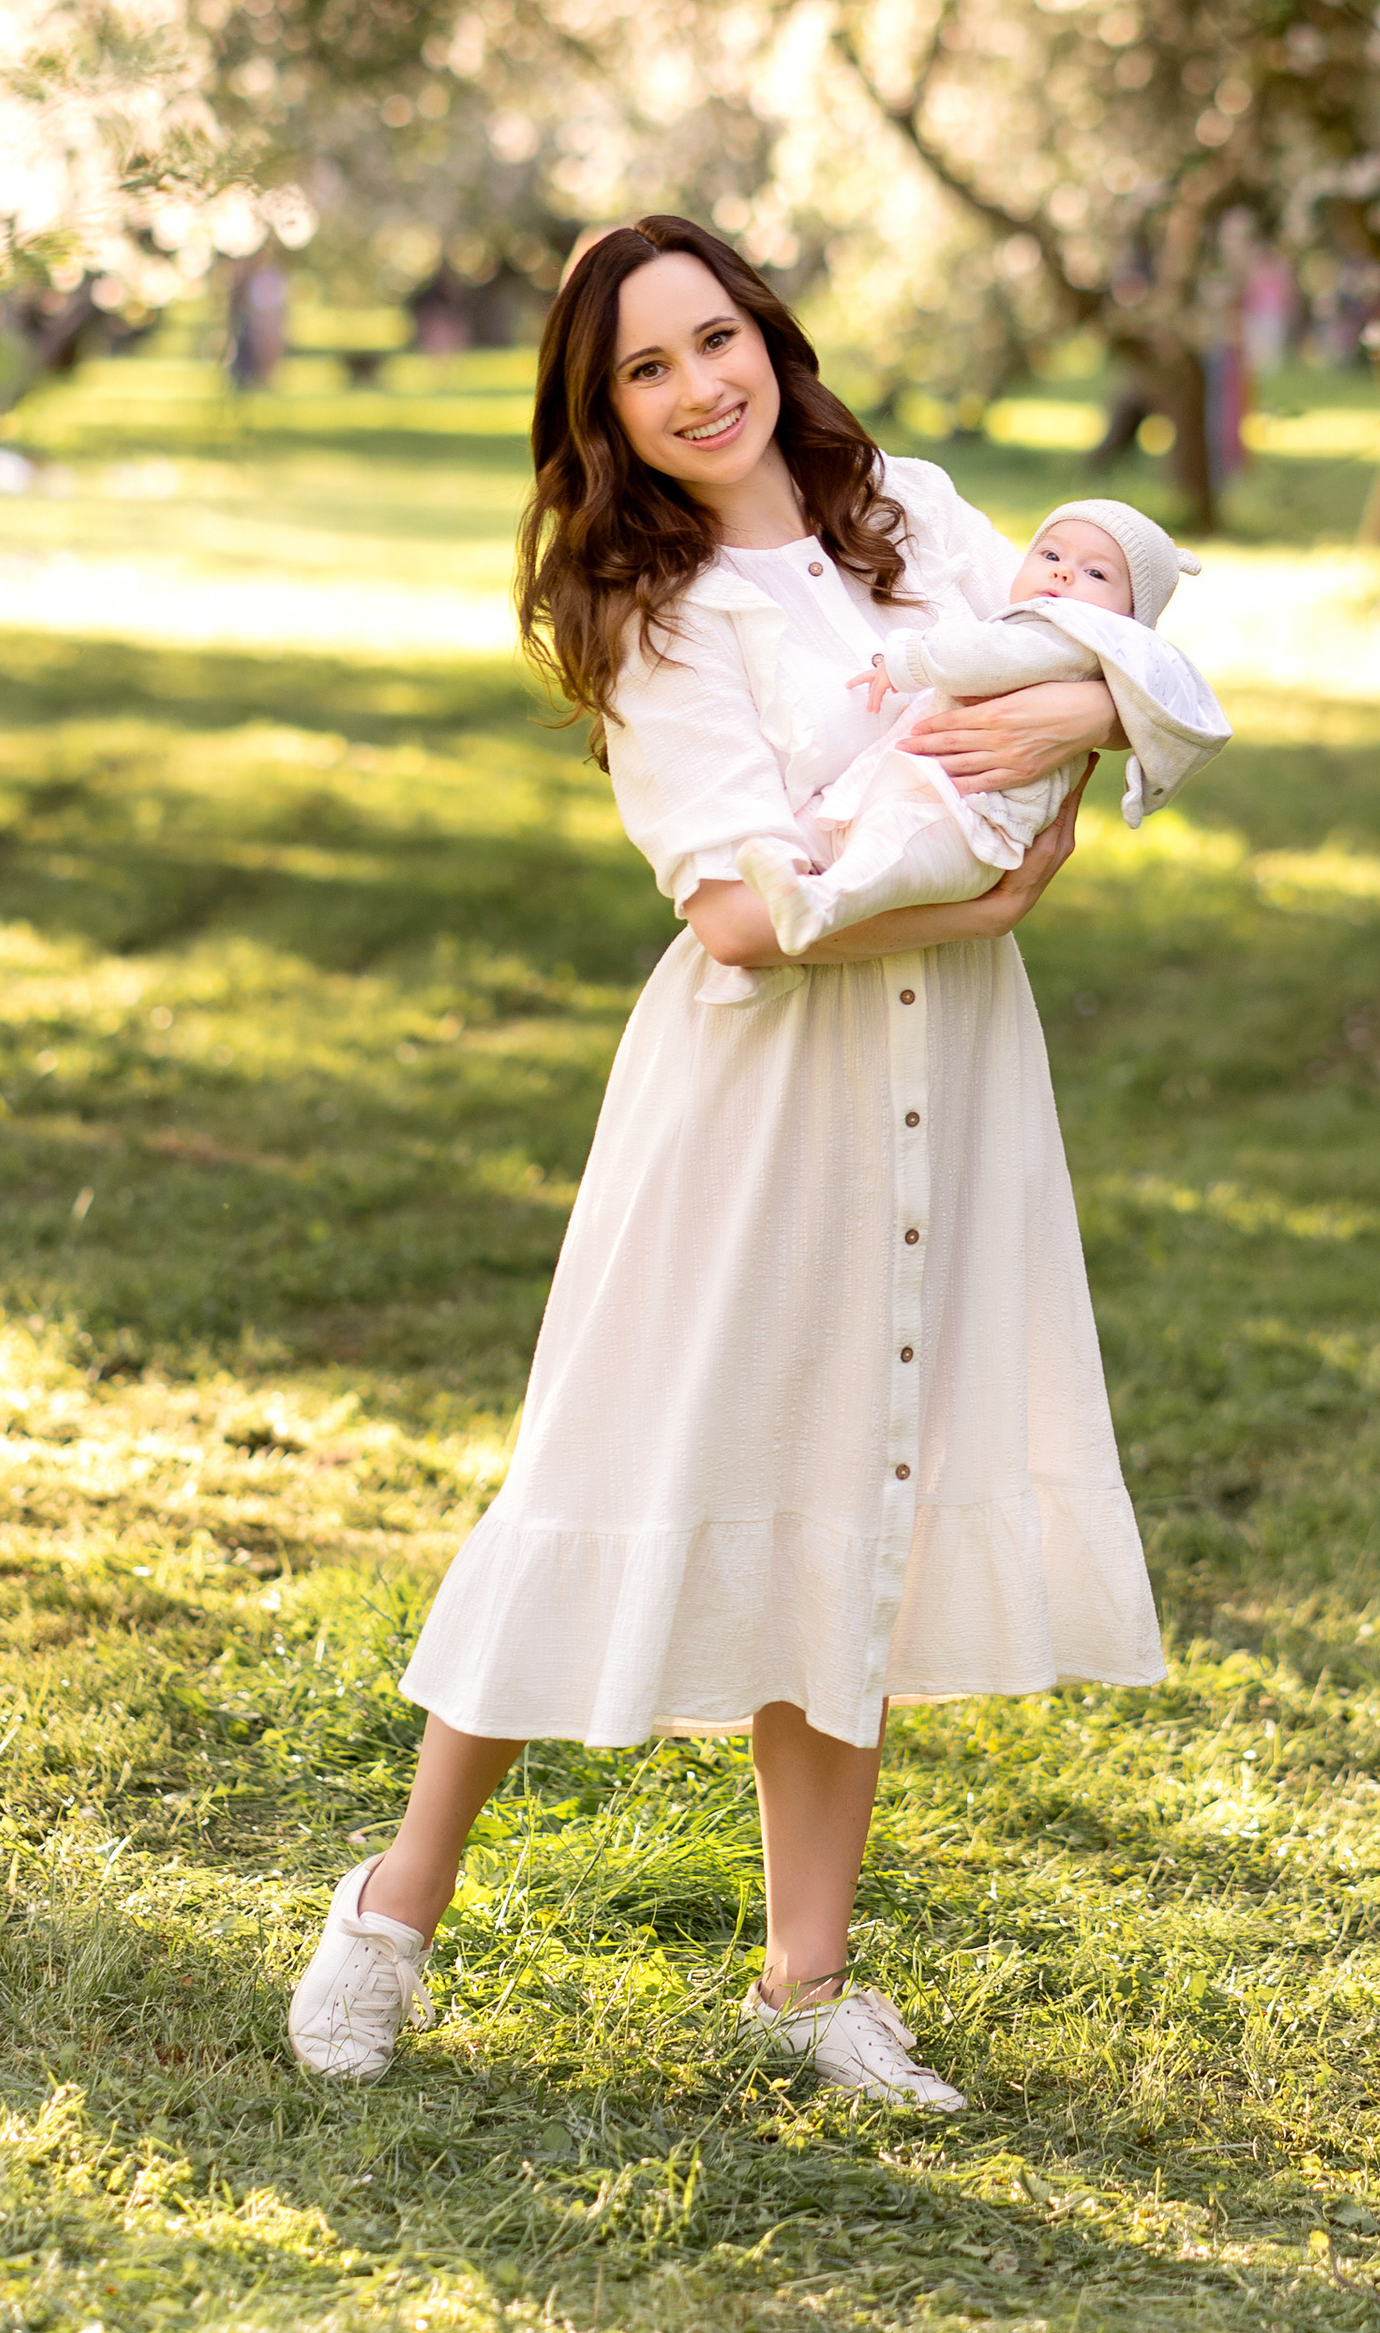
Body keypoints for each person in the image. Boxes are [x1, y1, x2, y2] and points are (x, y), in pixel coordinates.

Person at [286, 217, 1164, 2109]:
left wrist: (1078, 733)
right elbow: (745, 913)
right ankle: (391, 1908)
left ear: (769, 331)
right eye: (647, 371)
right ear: (601, 417)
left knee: (860, 1489)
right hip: (759, 1106)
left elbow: (1091, 659)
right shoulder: (653, 613)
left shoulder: (912, 513)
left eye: (715, 339)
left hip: (952, 1079)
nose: (701, 388)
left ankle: (808, 1982)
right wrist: (994, 849)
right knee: (605, 1469)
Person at [737, 496, 1230, 960]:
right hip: (941, 796)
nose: (1063, 571)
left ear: (1130, 617)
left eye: (1095, 573)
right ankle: (783, 907)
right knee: (832, 816)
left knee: (891, 838)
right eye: (1051, 553)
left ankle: (819, 905)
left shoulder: (1071, 635)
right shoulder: (1042, 622)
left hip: (975, 819)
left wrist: (910, 660)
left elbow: (989, 659)